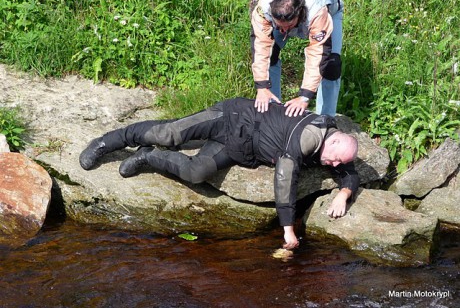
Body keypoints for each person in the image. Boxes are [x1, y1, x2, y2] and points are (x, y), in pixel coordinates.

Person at [79, 98, 359, 249]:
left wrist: (344, 194)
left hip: (239, 149)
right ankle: (107, 142)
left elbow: (350, 173)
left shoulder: (334, 146)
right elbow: (285, 177)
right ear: (331, 140)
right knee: (170, 133)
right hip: (230, 117)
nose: (333, 165)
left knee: (196, 172)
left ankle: (148, 156)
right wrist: (287, 228)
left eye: (336, 163)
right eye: (334, 159)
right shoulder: (310, 137)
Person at [251, 0, 344, 117]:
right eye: (279, 26)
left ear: (300, 15)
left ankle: (325, 120)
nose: (283, 31)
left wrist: (304, 97)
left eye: (288, 26)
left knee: (331, 64)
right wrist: (262, 86)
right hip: (290, 15)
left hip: (329, 11)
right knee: (271, 54)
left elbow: (318, 55)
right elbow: (260, 47)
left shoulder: (317, 11)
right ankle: (274, 110)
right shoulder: (263, 9)